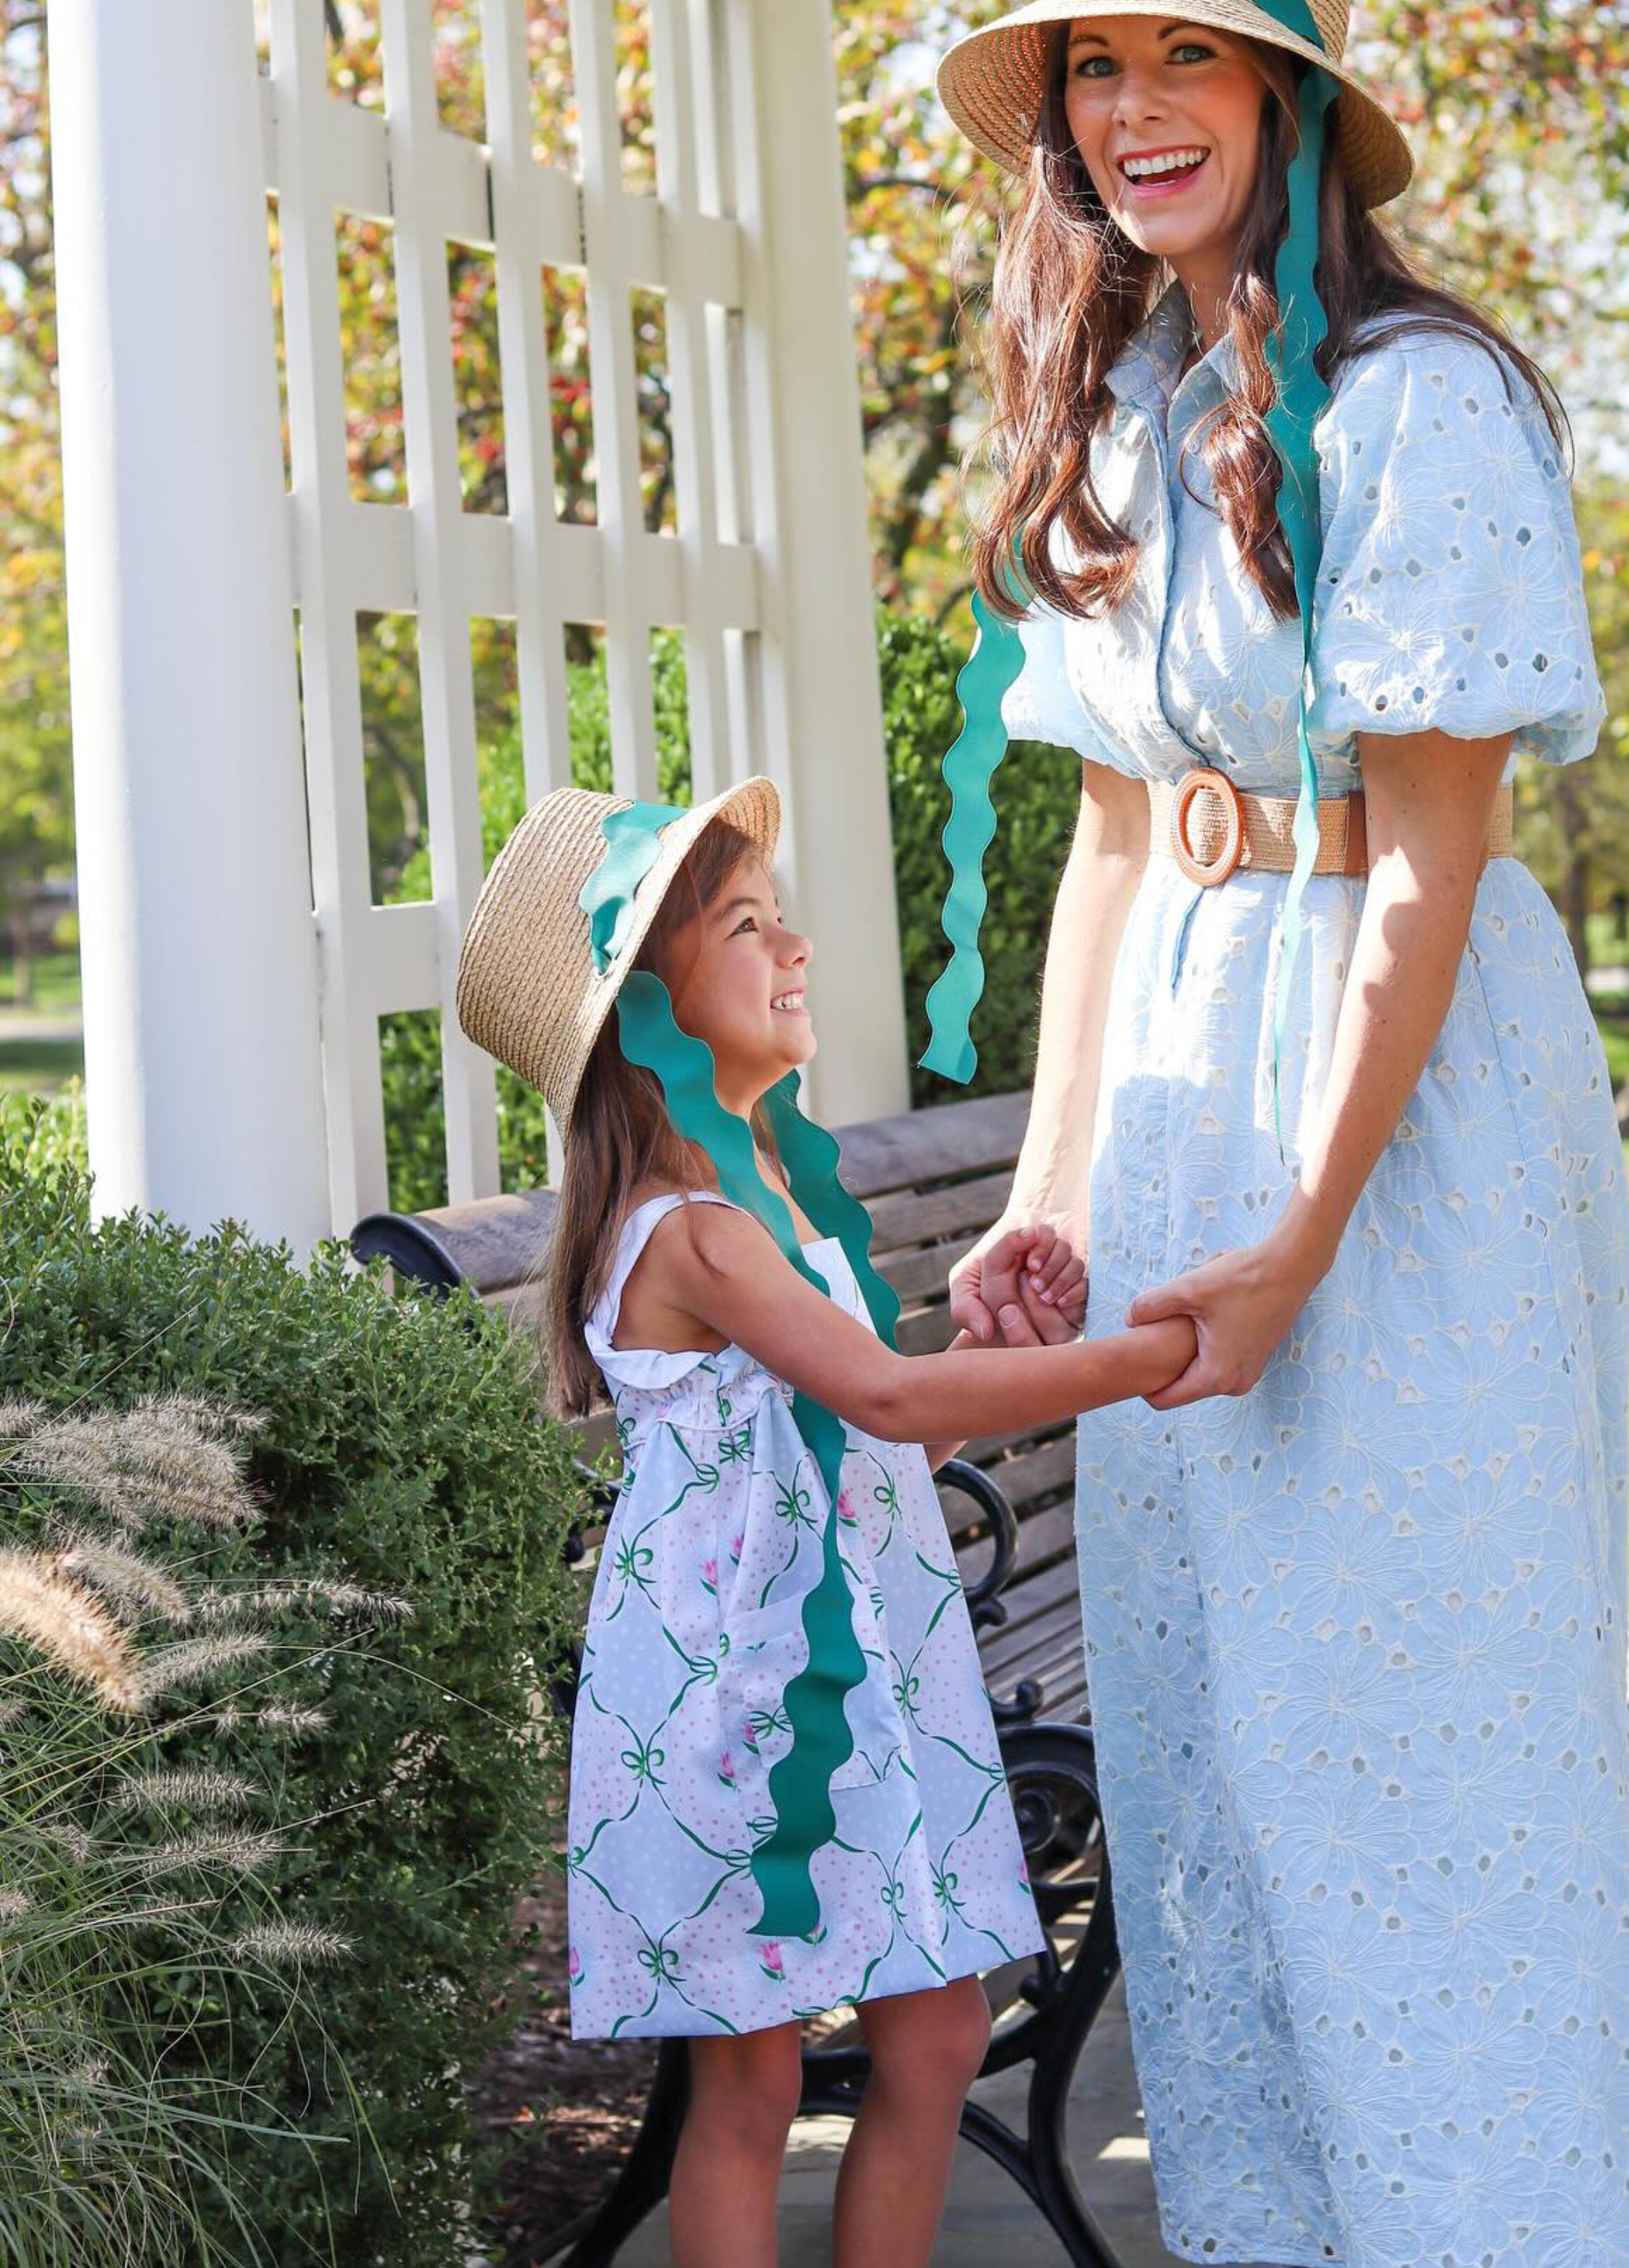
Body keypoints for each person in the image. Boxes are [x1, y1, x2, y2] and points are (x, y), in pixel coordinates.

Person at [927, 0, 1629, 2268]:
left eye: (1189, 53)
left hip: (1405, 1129)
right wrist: (1053, 1191)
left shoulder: (1423, 404)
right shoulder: (1129, 415)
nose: (1138, 103)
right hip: (1181, 1103)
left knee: (1426, 1766)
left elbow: (1424, 886)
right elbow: (1118, 852)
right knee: (1227, 1772)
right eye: (1098, 65)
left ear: (1290, 95)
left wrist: (1304, 1235)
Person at [453, 776, 1189, 2268]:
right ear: (649, 1009)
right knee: (755, 2067)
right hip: (743, 1701)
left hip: (851, 1676)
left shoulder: (768, 1193)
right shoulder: (698, 1231)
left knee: (932, 2031)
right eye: (746, 926)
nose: (794, 950)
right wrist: (1161, 1358)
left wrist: (992, 1345)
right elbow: (890, 1407)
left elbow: (877, 1425)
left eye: (780, 919)